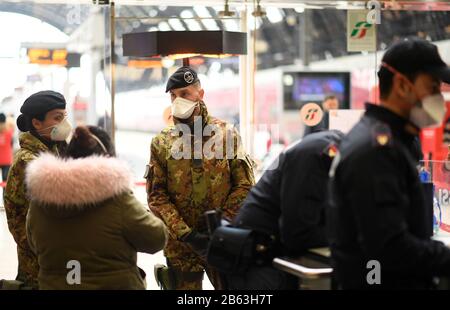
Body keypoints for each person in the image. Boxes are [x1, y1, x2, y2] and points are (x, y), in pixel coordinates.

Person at [328, 37, 450, 289]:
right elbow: (389, 247)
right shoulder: (376, 151)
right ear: (402, 85)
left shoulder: (390, 139)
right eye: (433, 87)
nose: (440, 97)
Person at [147, 66, 255, 290]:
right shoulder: (162, 142)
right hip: (181, 248)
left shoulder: (226, 134)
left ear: (200, 94)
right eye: (173, 96)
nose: (178, 100)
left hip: (222, 241)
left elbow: (244, 185)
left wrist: (220, 226)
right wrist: (187, 235)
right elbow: (157, 196)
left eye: (185, 94)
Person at [25, 126, 167, 289]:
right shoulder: (118, 200)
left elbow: (33, 243)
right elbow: (156, 238)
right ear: (108, 159)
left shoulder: (39, 202)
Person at [211, 130, 342, 289]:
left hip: (273, 255)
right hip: (257, 260)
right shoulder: (318, 153)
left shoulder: (333, 153)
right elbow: (298, 233)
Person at [4, 90, 70, 289]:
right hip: (38, 264)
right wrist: (40, 249)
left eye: (64, 117)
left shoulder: (55, 150)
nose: (64, 124)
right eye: (57, 118)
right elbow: (15, 215)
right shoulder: (28, 161)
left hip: (60, 258)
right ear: (36, 123)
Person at [0, 113, 14, 182]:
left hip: (4, 159)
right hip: (7, 160)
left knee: (5, 180)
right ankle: (4, 192)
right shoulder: (9, 132)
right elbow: (11, 145)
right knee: (6, 181)